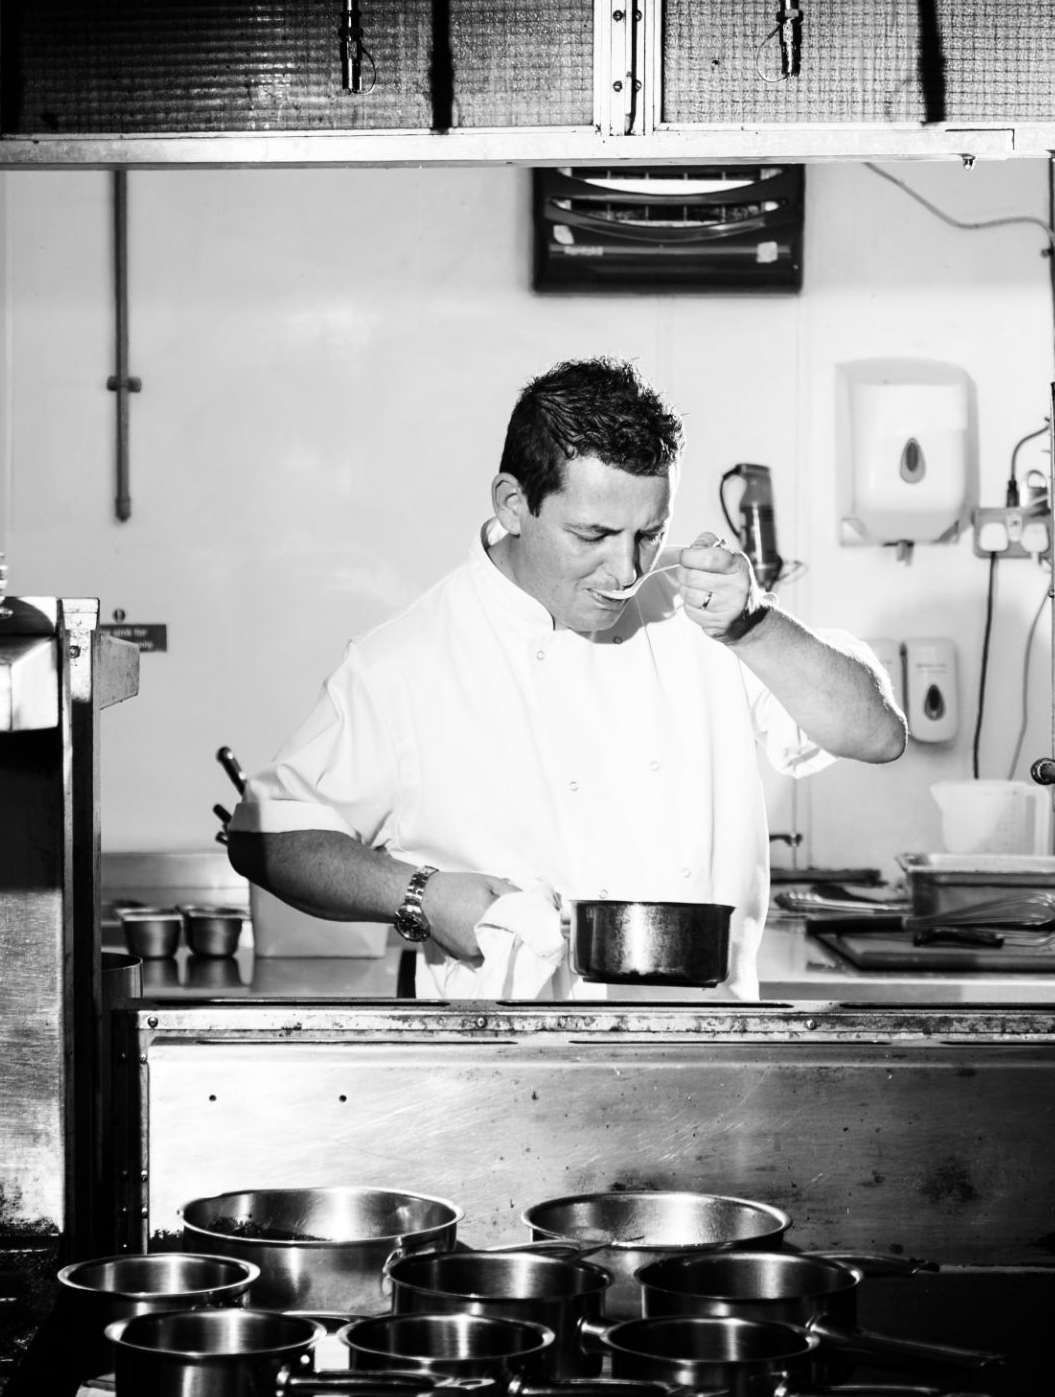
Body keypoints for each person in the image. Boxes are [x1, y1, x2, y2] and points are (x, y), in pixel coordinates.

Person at [227, 356, 906, 999]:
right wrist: (421, 896)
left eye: (650, 534)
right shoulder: (408, 660)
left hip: (705, 1057)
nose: (627, 572)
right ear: (513, 504)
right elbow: (270, 837)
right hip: (505, 1078)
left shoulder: (704, 617)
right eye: (593, 535)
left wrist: (753, 624)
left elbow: (876, 734)